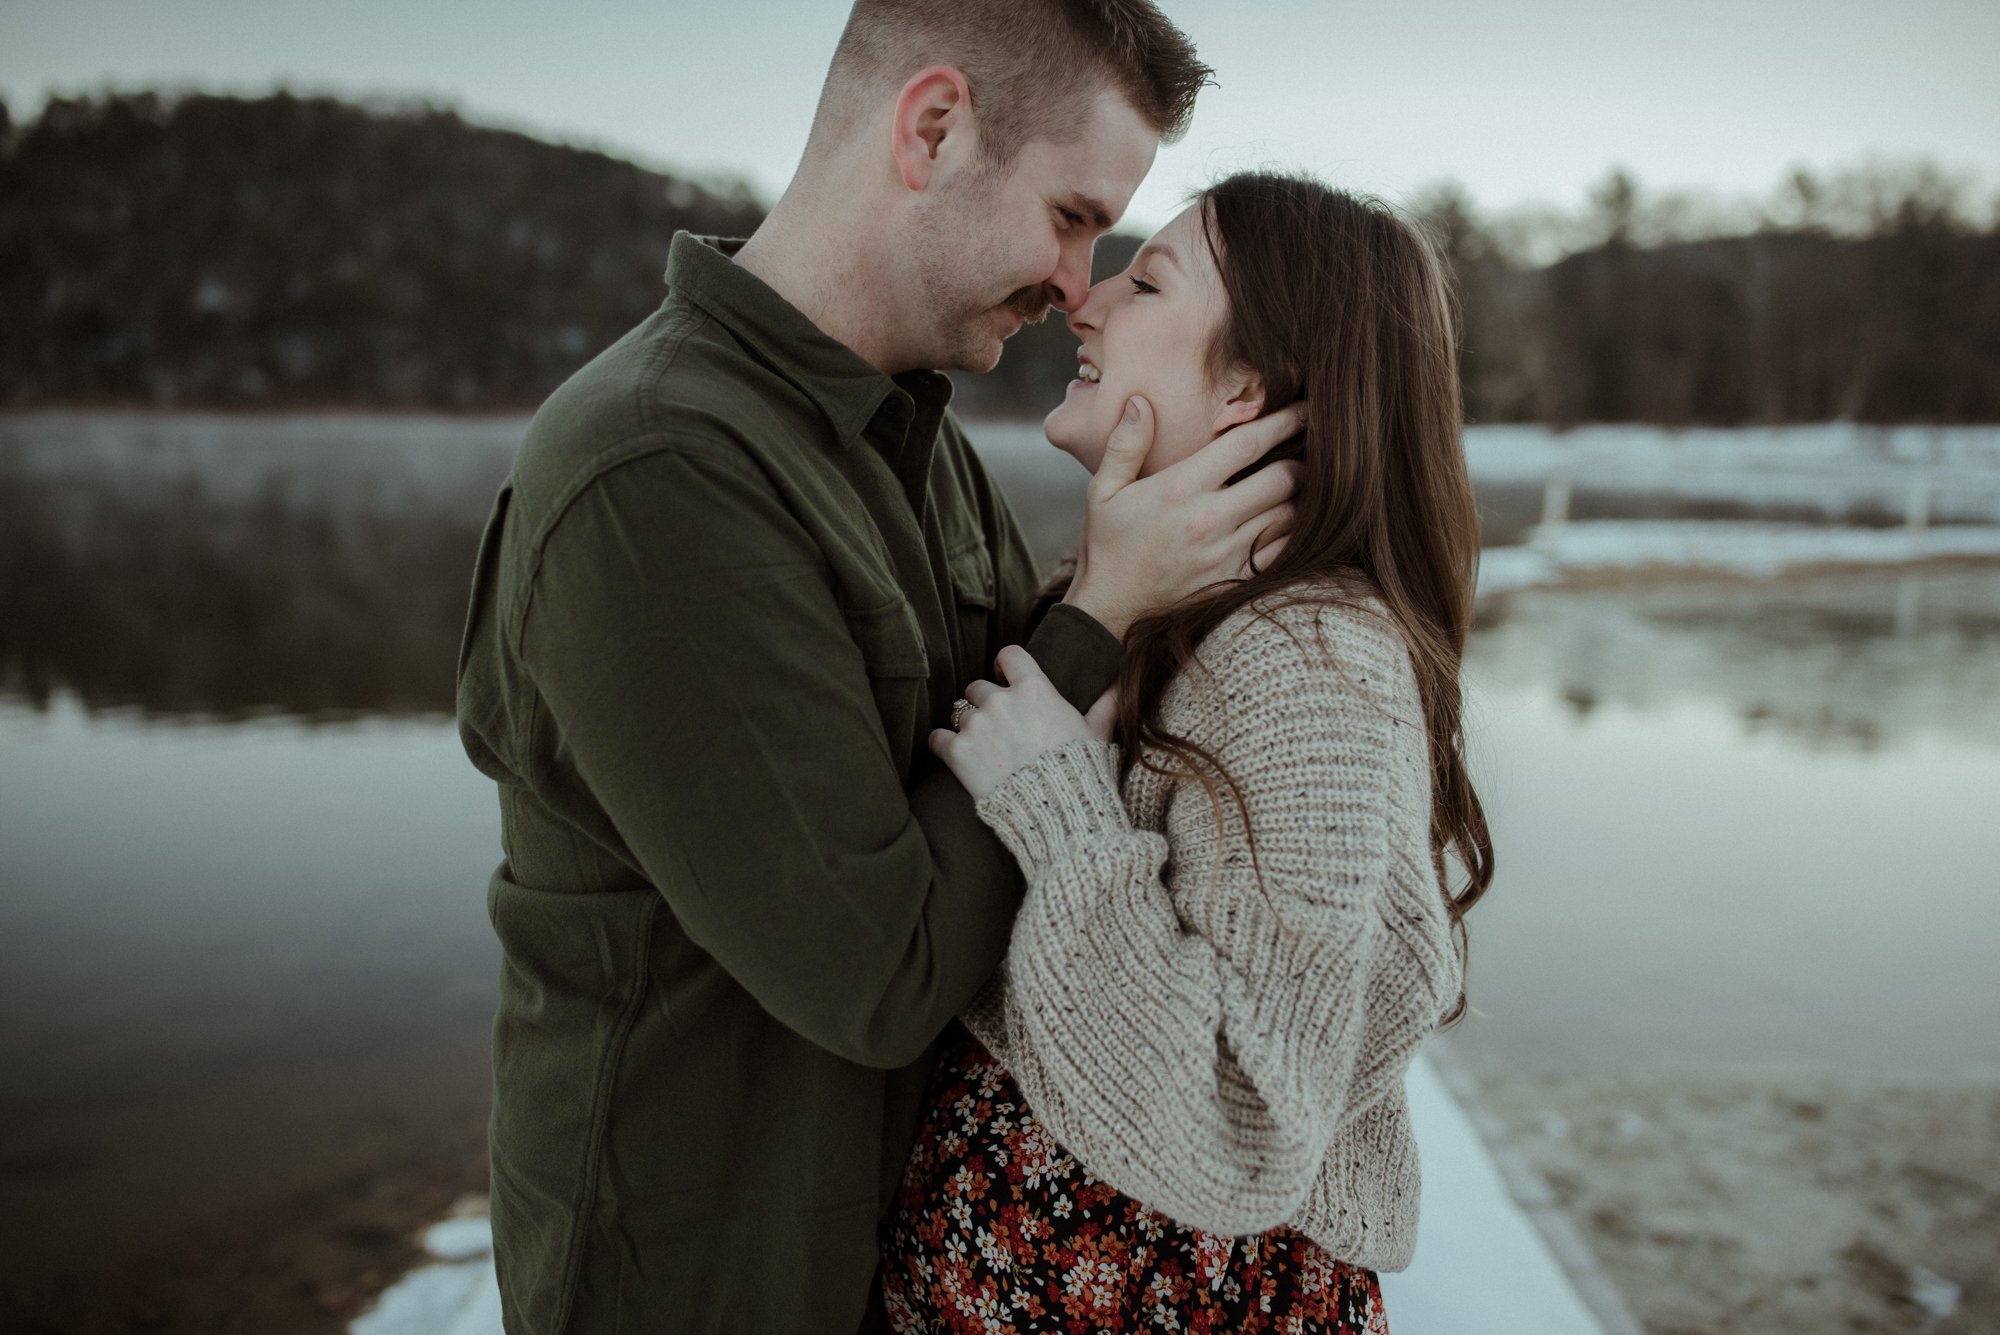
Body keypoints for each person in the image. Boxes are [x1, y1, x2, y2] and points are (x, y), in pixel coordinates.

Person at [454, 3, 1307, 1332]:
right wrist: (1108, 600)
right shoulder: (656, 469)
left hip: (893, 1270)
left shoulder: (921, 448)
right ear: (933, 129)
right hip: (700, 1284)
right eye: (1073, 214)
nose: (1079, 284)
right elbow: (883, 970)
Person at [879, 171, 1494, 1332]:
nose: (1086, 303)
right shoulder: (1164, 615)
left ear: (1245, 390)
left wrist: (1052, 805)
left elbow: (1238, 1124)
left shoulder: (1305, 667)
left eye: (1146, 279)